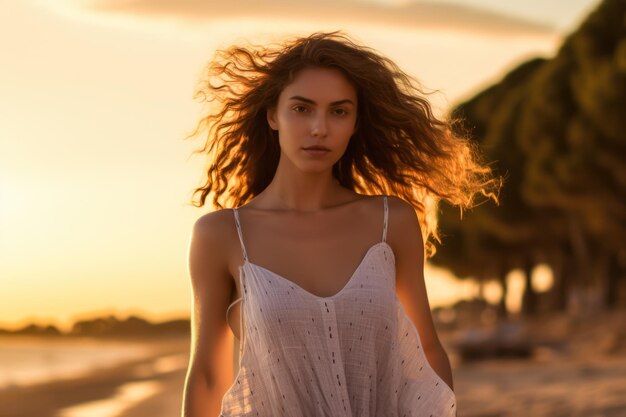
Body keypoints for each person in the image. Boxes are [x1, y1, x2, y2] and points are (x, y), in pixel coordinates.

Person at [181, 31, 501, 417]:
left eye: (338, 111)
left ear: (354, 123)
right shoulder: (222, 235)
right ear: (272, 116)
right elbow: (207, 377)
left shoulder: (390, 223)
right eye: (302, 109)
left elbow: (427, 350)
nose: (320, 128)